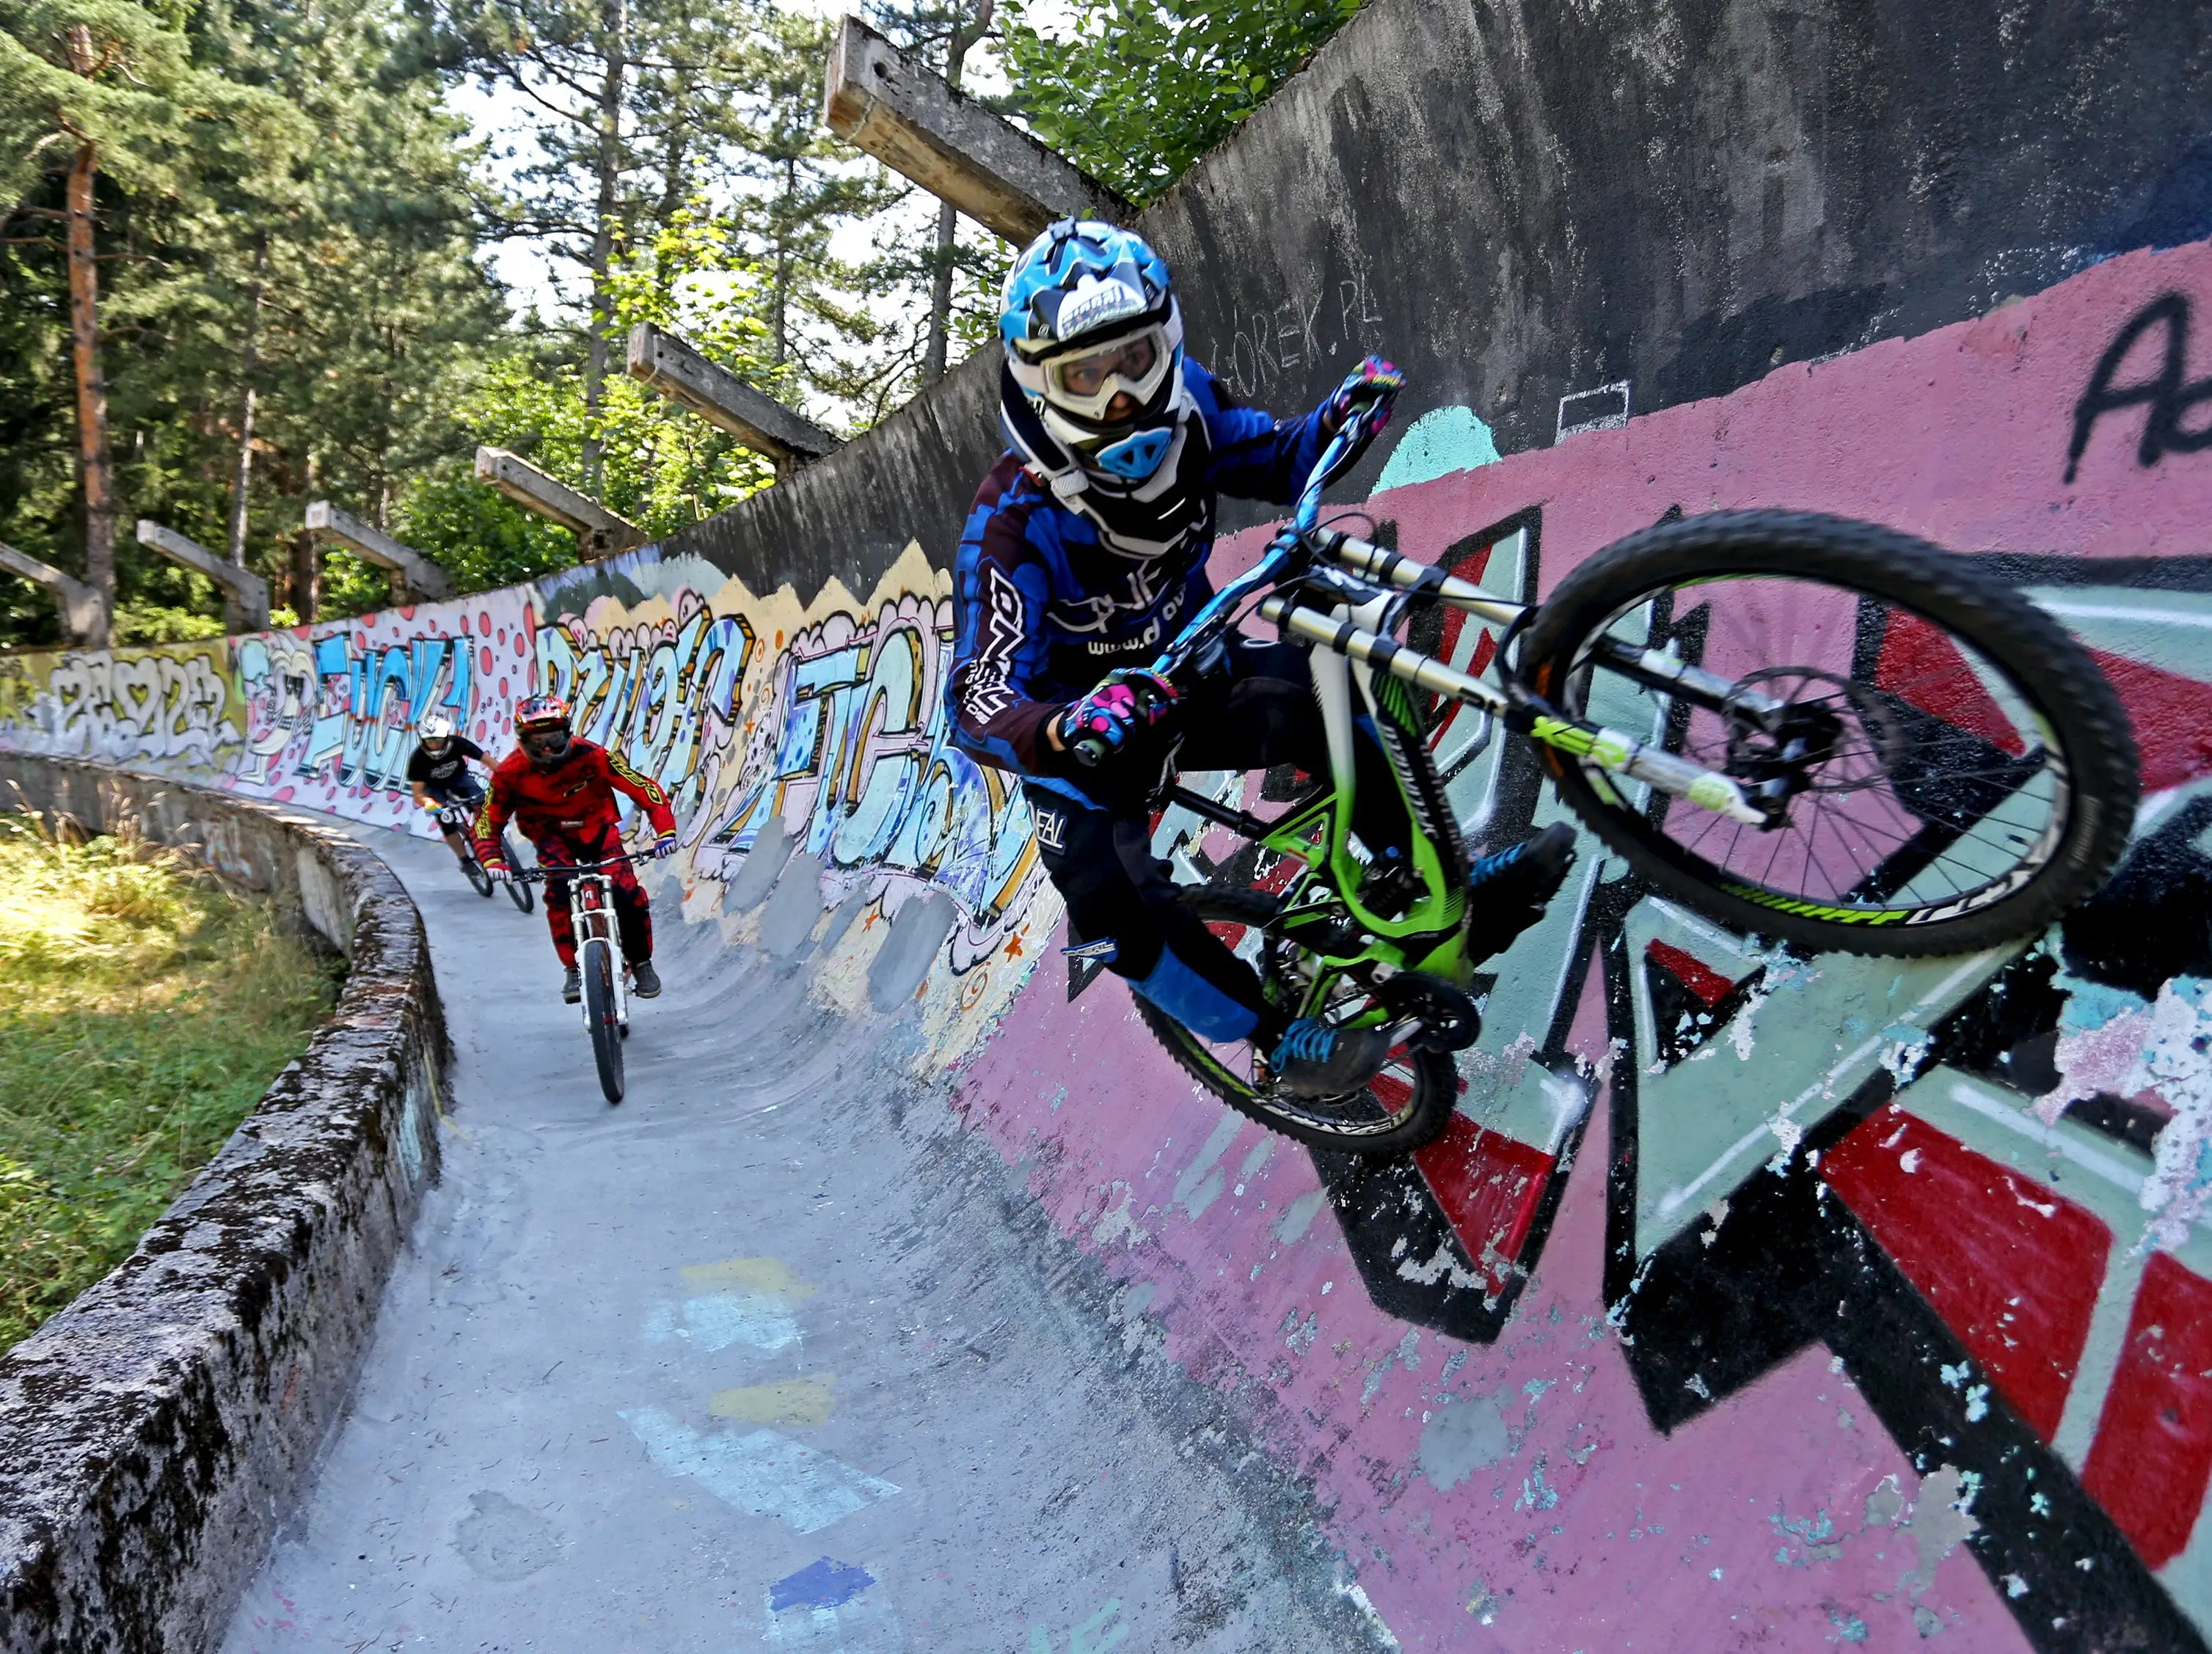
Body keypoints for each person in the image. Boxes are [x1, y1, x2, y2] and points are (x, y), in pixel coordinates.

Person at [943, 220, 1574, 1098]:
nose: (1119, 395)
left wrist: (1337, 419)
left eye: (1131, 357)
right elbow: (976, 696)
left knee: (1338, 707)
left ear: (1164, 339)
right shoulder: (1012, 520)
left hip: (1194, 675)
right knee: (1112, 910)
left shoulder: (1192, 407)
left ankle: (1442, 901)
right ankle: (1278, 1038)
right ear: (1036, 382)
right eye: (1083, 374)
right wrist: (1065, 726)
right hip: (1084, 741)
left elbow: (1277, 456)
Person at [474, 695, 680, 1003]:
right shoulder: (509, 773)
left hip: (597, 829)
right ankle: (573, 967)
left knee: (627, 894)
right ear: (522, 740)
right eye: (537, 741)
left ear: (568, 733)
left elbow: (644, 788)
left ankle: (641, 962)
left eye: (555, 739)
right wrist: (492, 860)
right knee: (558, 893)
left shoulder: (594, 755)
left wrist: (665, 831)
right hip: (549, 837)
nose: (547, 749)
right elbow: (486, 824)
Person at [406, 712, 492, 876]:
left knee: (481, 802)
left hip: (459, 779)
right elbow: (417, 793)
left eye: (438, 739)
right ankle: (465, 860)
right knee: (447, 820)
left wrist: (505, 776)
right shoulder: (418, 759)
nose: (434, 745)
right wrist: (428, 803)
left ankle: (487, 835)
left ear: (446, 736)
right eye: (429, 741)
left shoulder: (458, 743)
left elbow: (487, 760)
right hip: (435, 789)